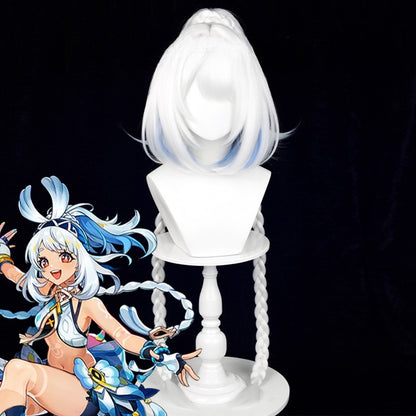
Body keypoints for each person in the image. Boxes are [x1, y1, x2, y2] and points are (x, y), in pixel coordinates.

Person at [0, 176, 199, 416]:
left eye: (64, 257)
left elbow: (123, 337)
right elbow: (14, 275)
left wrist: (155, 352)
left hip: (83, 393)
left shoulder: (88, 304)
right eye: (43, 261)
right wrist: (2, 252)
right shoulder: (48, 292)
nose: (53, 268)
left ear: (80, 259)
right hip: (55, 387)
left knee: (18, 370)